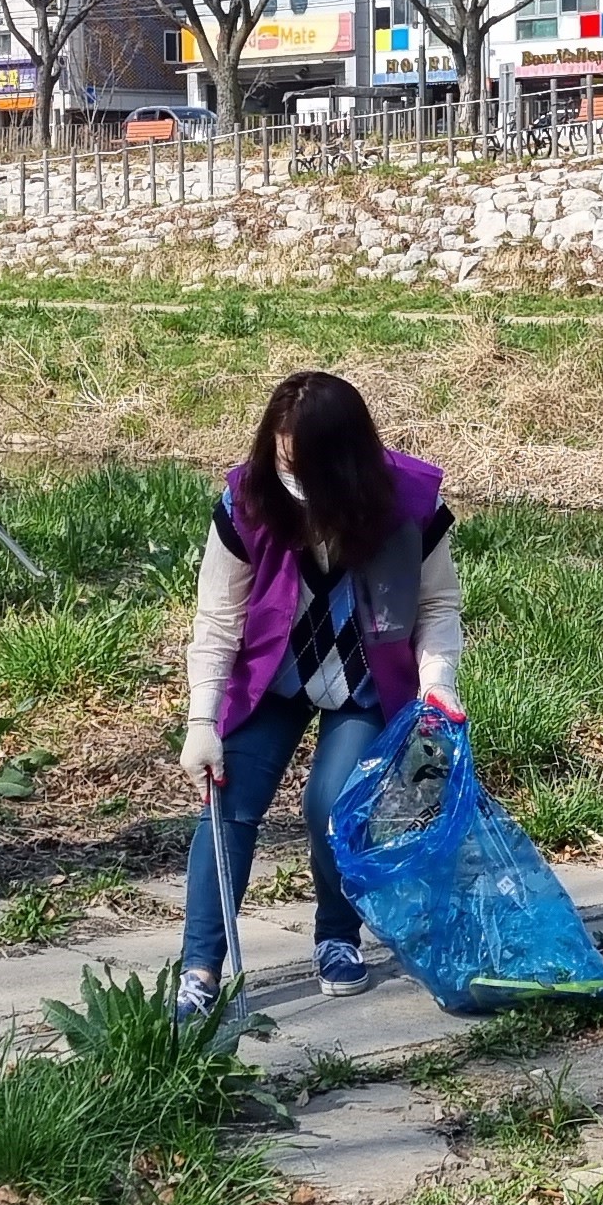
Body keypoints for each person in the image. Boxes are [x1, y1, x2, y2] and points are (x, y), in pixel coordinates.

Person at [174, 370, 466, 1018]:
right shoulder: (247, 502)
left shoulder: (407, 506)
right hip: (269, 680)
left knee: (333, 807)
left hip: (363, 679)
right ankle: (198, 967)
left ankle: (336, 935)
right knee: (227, 806)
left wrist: (436, 683)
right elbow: (218, 619)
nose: (291, 477)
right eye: (282, 461)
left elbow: (437, 603)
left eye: (304, 465)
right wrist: (202, 717)